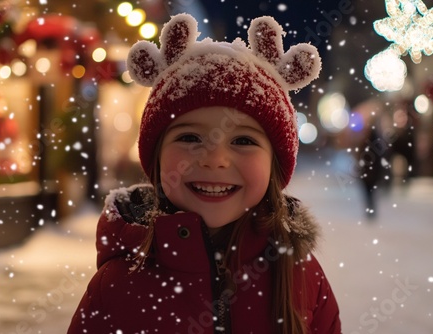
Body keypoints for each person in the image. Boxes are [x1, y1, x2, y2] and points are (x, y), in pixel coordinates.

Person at [68, 13, 341, 334]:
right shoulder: (116, 286)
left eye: (243, 140)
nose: (215, 159)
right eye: (189, 138)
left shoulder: (302, 278)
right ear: (156, 159)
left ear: (274, 166)